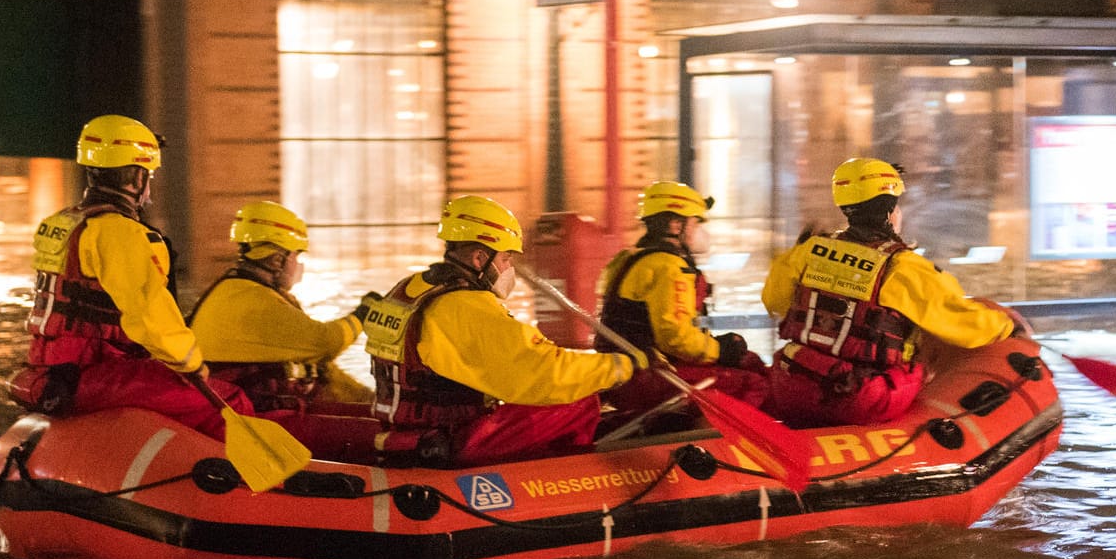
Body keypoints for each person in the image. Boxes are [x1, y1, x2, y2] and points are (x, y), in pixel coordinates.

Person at [7, 114, 250, 436]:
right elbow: (148, 312)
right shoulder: (120, 233)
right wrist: (191, 363)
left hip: (50, 370)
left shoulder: (61, 223)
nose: (148, 189)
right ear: (136, 177)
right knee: (230, 400)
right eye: (148, 176)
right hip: (92, 372)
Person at [361, 195, 642, 465]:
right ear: (479, 258)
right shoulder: (466, 306)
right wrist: (619, 365)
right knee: (578, 400)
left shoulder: (407, 290)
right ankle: (571, 482)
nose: (509, 268)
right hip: (451, 443)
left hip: (403, 439)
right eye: (506, 259)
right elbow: (541, 369)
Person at [761, 157, 1023, 428]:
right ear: (889, 211)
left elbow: (774, 302)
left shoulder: (809, 250)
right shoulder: (902, 267)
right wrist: (1006, 327)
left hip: (792, 387)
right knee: (920, 369)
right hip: (859, 399)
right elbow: (960, 323)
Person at [188, 200, 380, 460]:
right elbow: (326, 343)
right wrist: (362, 315)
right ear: (278, 258)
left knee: (381, 419)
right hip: (263, 421)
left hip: (275, 413)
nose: (298, 265)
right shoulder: (253, 301)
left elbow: (321, 371)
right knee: (384, 436)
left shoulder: (244, 292)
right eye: (296, 255)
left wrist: (371, 401)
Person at [596, 181, 771, 422]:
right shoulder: (668, 267)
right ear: (675, 224)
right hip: (646, 378)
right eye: (696, 221)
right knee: (754, 383)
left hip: (624, 373)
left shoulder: (632, 258)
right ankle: (724, 447)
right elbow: (674, 337)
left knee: (750, 361)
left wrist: (715, 347)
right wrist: (720, 350)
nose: (700, 229)